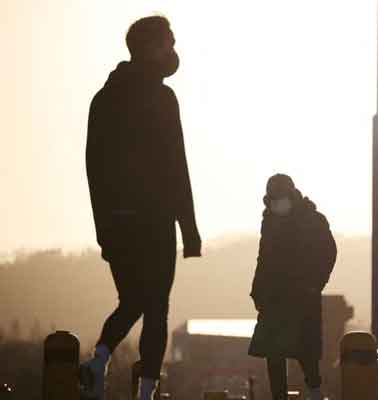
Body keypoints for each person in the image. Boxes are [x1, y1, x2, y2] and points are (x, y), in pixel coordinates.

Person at [83, 15, 201, 400]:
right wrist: (189, 228)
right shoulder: (162, 98)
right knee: (157, 307)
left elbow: (93, 169)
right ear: (152, 48)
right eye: (168, 42)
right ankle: (146, 390)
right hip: (155, 220)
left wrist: (104, 227)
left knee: (133, 299)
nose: (173, 50)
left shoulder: (104, 98)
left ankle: (99, 360)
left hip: (118, 222)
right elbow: (176, 166)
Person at [248, 174, 337, 400]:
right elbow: (263, 258)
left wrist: (315, 284)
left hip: (303, 294)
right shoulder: (269, 222)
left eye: (282, 197)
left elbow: (329, 253)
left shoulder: (312, 219)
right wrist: (257, 289)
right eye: (274, 199)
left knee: (306, 352)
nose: (279, 203)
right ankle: (279, 397)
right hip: (274, 296)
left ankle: (315, 392)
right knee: (273, 352)